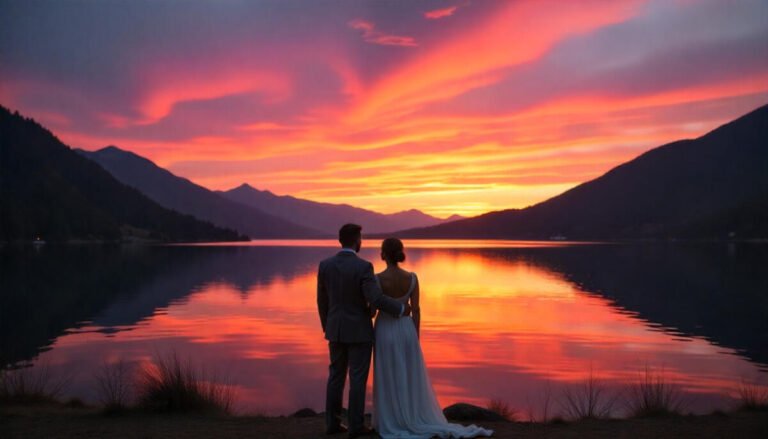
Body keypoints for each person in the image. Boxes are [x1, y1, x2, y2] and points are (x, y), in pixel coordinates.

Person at [373, 238, 494, 439]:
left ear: (383, 254)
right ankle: (410, 414)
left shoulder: (377, 279)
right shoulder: (412, 277)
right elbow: (417, 310)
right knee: (409, 375)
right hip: (407, 329)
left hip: (385, 329)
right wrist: (415, 335)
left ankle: (391, 418)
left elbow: (373, 308)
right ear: (400, 253)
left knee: (388, 373)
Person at [317, 224, 411, 438]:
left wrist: (328, 326)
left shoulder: (325, 265)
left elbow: (321, 301)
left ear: (341, 240)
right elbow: (376, 299)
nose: (362, 242)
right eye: (361, 238)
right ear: (356, 240)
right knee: (357, 379)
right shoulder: (363, 267)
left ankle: (332, 424)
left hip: (335, 330)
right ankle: (355, 426)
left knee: (335, 377)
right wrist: (401, 308)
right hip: (359, 332)